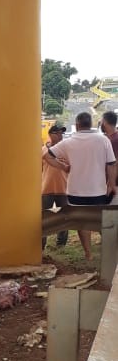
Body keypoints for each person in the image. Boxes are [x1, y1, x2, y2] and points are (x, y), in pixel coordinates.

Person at [44, 111, 117, 259]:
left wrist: (64, 167)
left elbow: (47, 156)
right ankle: (110, 251)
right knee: (102, 220)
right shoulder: (103, 140)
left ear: (77, 125)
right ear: (90, 124)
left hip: (75, 191)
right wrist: (111, 184)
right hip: (98, 190)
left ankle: (88, 253)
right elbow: (111, 164)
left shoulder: (68, 142)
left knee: (82, 222)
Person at [41, 122, 69, 250]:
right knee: (44, 218)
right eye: (57, 133)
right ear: (50, 135)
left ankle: (61, 243)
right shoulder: (43, 150)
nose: (60, 135)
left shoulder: (66, 150)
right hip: (46, 189)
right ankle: (41, 243)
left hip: (63, 188)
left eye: (61, 133)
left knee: (64, 217)